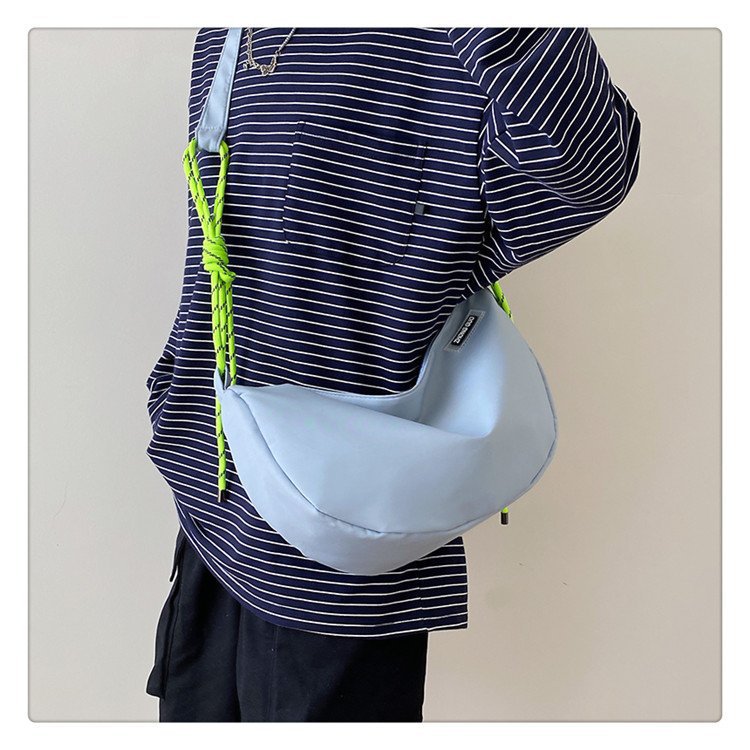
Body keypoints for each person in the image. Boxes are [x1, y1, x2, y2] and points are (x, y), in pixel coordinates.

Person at [144, 26, 641, 722]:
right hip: (213, 493)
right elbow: (229, 233)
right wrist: (177, 380)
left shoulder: (436, 36)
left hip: (341, 527)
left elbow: (588, 168)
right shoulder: (229, 32)